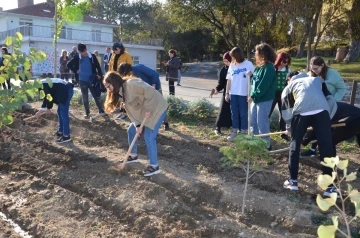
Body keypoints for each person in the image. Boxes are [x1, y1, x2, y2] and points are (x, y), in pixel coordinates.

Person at [281, 71, 337, 197]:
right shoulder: (317, 81)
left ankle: (293, 181)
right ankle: (330, 188)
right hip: (322, 111)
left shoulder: (290, 85)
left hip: (301, 111)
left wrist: (289, 127)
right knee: (326, 147)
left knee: (294, 146)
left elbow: (286, 108)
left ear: (290, 79)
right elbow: (331, 99)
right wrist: (327, 119)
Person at [103, 71, 168, 176]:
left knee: (149, 136)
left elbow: (150, 91)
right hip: (145, 113)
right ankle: (133, 155)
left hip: (157, 108)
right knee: (132, 130)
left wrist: (148, 109)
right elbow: (130, 112)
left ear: (113, 82)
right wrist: (137, 125)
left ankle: (154, 166)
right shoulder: (121, 93)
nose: (108, 89)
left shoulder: (132, 84)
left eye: (108, 86)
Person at [301, 56, 347, 157]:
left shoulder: (333, 74)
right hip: (316, 105)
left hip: (329, 107)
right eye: (312, 68)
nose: (314, 71)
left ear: (322, 65)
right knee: (315, 126)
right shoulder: (310, 75)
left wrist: (333, 101)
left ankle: (326, 153)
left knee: (324, 129)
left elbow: (342, 88)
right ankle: (313, 149)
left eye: (316, 68)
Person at [118, 62, 170, 130]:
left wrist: (153, 86)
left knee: (159, 105)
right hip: (144, 91)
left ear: (129, 71)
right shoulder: (130, 77)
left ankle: (165, 123)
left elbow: (155, 74)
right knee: (148, 106)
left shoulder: (139, 68)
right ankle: (149, 123)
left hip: (155, 87)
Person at [247, 43, 277, 150]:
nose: (255, 53)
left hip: (264, 99)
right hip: (256, 98)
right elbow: (255, 82)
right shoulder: (259, 68)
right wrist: (251, 76)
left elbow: (263, 85)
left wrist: (253, 96)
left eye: (256, 51)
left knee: (261, 122)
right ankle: (254, 142)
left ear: (263, 54)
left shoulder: (269, 68)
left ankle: (265, 145)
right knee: (253, 121)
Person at [67, 43, 105, 119]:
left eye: (84, 51)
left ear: (86, 49)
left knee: (96, 95)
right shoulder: (77, 57)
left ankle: (101, 111)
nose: (84, 53)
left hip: (92, 80)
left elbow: (98, 66)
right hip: (82, 80)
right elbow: (69, 65)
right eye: (82, 52)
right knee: (85, 97)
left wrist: (100, 75)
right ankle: (87, 113)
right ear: (79, 51)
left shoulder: (92, 56)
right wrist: (75, 70)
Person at [225, 47, 255, 141]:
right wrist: (227, 93)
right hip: (233, 93)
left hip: (244, 93)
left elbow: (254, 79)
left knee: (243, 113)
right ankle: (235, 131)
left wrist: (252, 75)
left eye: (233, 56)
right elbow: (229, 80)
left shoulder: (248, 64)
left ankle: (243, 132)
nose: (232, 58)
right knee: (234, 113)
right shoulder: (232, 66)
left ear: (237, 56)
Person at [34, 78, 74, 143]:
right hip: (63, 90)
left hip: (66, 90)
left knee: (63, 114)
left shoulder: (41, 86)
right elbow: (46, 98)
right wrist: (40, 111)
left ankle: (66, 136)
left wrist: (48, 108)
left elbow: (48, 96)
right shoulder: (41, 84)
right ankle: (60, 132)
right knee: (60, 112)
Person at [269, 52, 291, 141]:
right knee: (268, 112)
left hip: (283, 94)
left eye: (286, 62)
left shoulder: (288, 70)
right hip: (273, 94)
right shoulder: (273, 68)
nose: (284, 64)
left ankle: (283, 133)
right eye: (283, 61)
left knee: (283, 114)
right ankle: (265, 131)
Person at [108, 42, 132, 120]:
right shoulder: (113, 55)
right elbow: (110, 66)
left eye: (116, 49)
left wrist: (126, 78)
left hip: (123, 78)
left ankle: (124, 113)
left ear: (121, 48)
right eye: (114, 50)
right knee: (117, 95)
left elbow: (129, 68)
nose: (115, 51)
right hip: (114, 79)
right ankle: (119, 111)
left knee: (123, 96)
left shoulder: (127, 55)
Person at [213, 51, 232, 135]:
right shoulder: (223, 69)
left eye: (227, 61)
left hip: (236, 92)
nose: (225, 63)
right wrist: (217, 89)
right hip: (226, 92)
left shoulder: (236, 68)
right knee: (223, 110)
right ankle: (218, 127)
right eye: (224, 61)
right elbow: (221, 82)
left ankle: (234, 128)